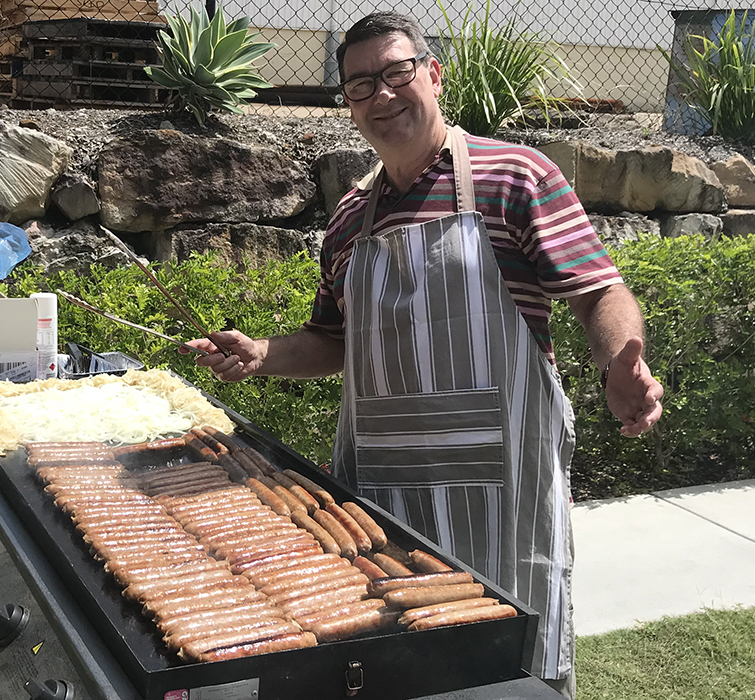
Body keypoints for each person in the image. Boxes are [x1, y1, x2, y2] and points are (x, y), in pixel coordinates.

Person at [183, 11, 664, 697]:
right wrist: (263, 352)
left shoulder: (515, 178)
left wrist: (620, 358)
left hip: (500, 494)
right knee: (389, 667)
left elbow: (597, 291)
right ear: (347, 106)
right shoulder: (350, 220)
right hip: (382, 496)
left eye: (396, 73)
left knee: (508, 670)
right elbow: (332, 343)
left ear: (433, 75)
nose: (381, 96)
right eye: (359, 86)